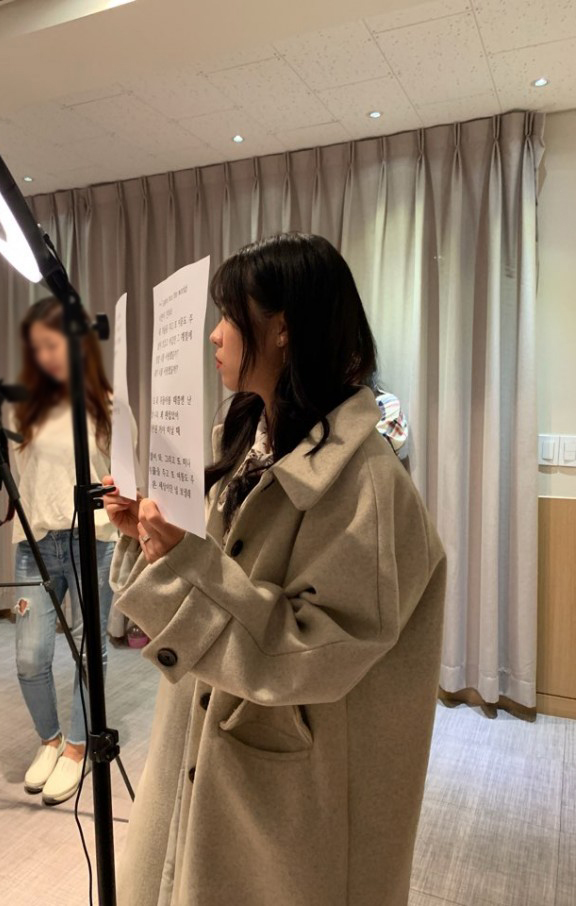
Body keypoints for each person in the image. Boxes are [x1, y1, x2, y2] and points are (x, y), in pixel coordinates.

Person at [105, 233, 446, 906]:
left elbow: (314, 651)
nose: (213, 335)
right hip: (206, 738)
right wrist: (148, 540)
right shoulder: (245, 441)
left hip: (289, 783)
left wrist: (185, 559)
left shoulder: (368, 484)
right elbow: (217, 580)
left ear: (282, 328)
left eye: (229, 315)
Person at [11, 297, 118, 806]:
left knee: (88, 649)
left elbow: (118, 477)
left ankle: (77, 747)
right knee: (30, 655)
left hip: (92, 539)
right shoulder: (22, 405)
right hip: (35, 542)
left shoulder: (106, 403)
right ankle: (49, 740)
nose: (45, 355)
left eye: (52, 344)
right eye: (37, 347)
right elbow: (24, 479)